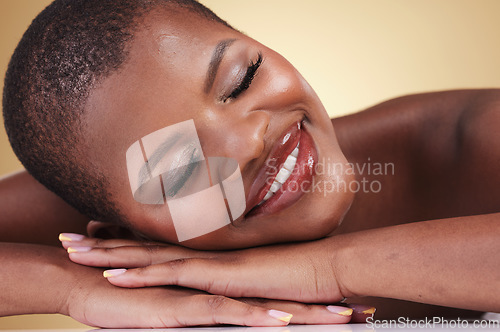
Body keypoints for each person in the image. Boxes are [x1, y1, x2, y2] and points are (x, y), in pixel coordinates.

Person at [1, 0, 499, 327]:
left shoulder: (473, 140)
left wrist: (325, 270)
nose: (248, 143)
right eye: (180, 169)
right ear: (126, 238)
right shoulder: (127, 232)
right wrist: (72, 291)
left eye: (241, 79)